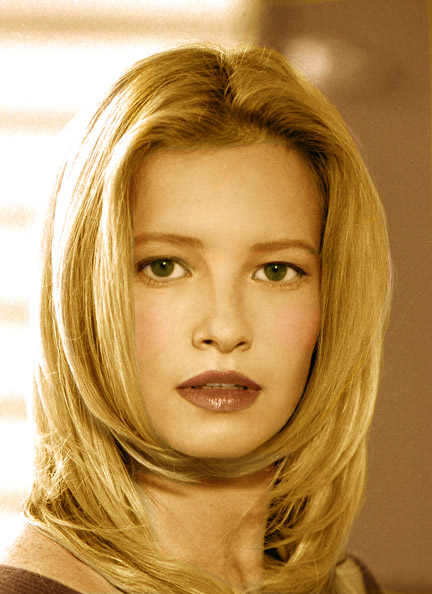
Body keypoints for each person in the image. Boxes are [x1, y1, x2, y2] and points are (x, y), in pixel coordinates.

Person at [0, 43, 391, 594]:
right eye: (164, 267)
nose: (226, 330)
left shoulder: (350, 585)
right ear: (84, 296)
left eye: (276, 271)